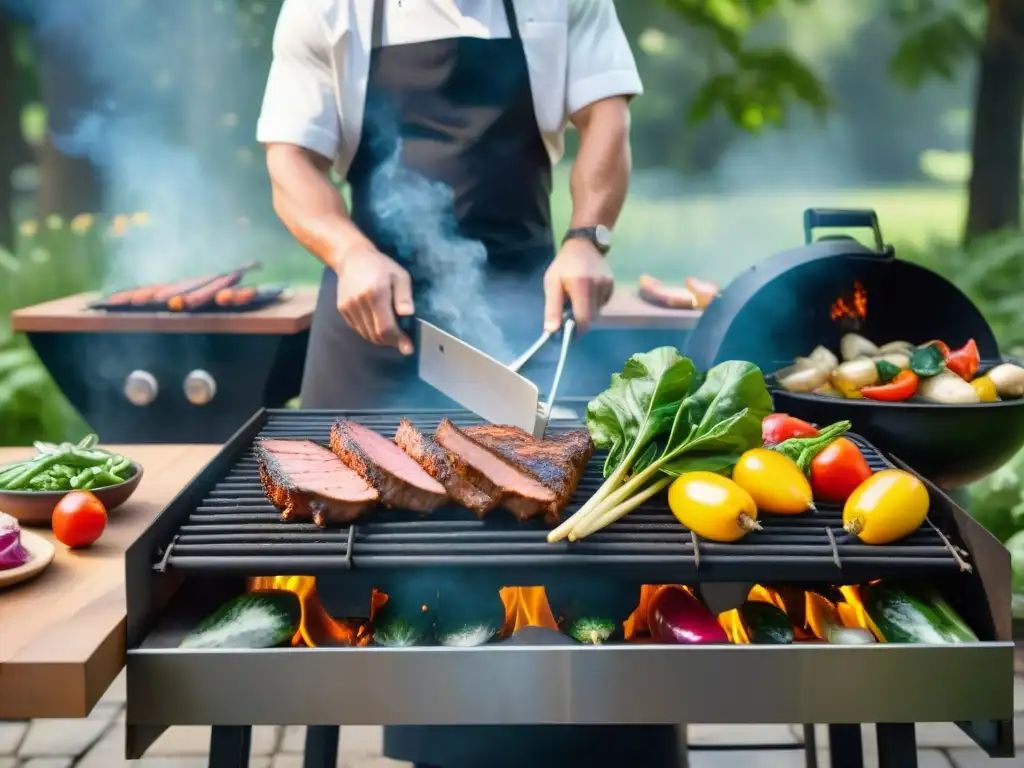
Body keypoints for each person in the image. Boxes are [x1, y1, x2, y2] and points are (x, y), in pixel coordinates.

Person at [258, 0, 679, 766]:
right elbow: (290, 162)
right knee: (362, 583)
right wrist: (349, 253)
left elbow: (606, 122)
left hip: (524, 308)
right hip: (370, 321)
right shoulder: (327, 8)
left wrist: (587, 237)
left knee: (566, 563)